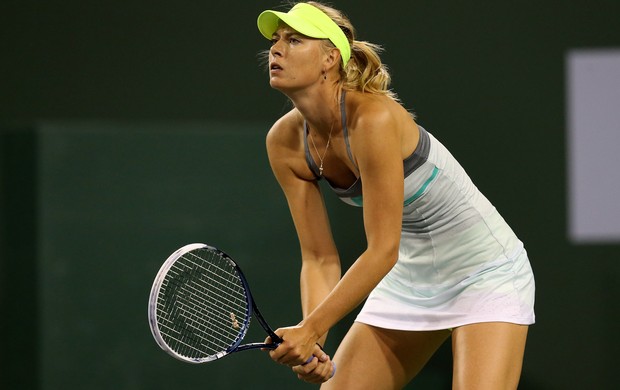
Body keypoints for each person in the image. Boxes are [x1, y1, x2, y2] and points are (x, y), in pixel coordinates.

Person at [256, 2, 536, 389]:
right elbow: (319, 256)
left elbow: (382, 249)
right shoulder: (284, 143)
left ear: (329, 59)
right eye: (275, 40)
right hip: (408, 277)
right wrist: (313, 343)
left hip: (485, 272)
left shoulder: (373, 118)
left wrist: (311, 326)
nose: (276, 49)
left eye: (294, 39)